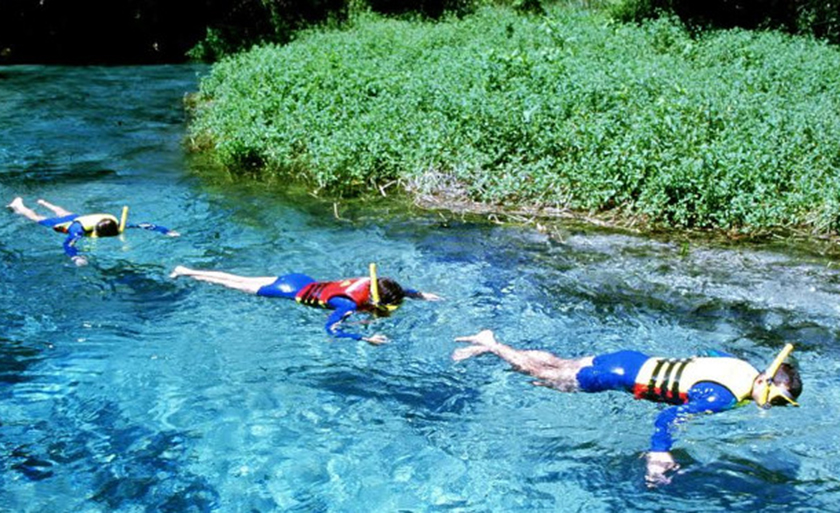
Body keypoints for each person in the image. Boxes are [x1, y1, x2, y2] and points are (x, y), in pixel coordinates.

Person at [452, 330, 802, 486]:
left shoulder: (740, 366)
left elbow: (709, 353)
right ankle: (492, 345)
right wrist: (658, 454)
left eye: (782, 406)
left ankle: (492, 342)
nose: (772, 407)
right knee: (545, 376)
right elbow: (668, 415)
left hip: (630, 359)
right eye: (776, 399)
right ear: (766, 381)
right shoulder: (723, 397)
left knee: (557, 364)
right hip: (619, 378)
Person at [170, 263, 441, 344]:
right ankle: (187, 271)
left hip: (302, 278)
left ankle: (187, 269)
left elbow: (400, 290)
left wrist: (420, 294)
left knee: (239, 277)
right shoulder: (347, 305)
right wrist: (362, 339)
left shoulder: (373, 286)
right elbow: (331, 330)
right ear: (374, 300)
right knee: (234, 282)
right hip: (288, 290)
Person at [7, 197, 180, 266]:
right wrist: (76, 256)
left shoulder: (116, 225)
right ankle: (19, 205)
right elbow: (68, 243)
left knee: (65, 212)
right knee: (37, 218)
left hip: (80, 216)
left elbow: (144, 225)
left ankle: (45, 202)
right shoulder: (77, 230)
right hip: (69, 223)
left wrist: (166, 231)